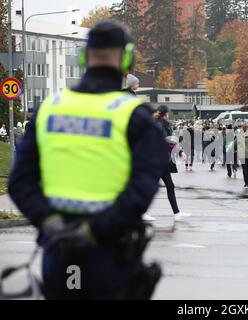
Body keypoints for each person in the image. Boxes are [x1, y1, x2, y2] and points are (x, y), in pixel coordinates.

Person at [8, 21, 167, 299]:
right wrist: (92, 231)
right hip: (109, 255)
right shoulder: (134, 116)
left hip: (57, 254)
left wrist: (50, 223)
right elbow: (141, 191)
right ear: (127, 58)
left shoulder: (50, 109)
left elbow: (20, 183)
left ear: (84, 57)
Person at [143, 105, 191, 222]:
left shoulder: (158, 123)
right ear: (166, 113)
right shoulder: (161, 124)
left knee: (169, 186)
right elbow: (167, 140)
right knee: (154, 187)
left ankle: (176, 213)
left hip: (158, 159)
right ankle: (143, 212)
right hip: (158, 160)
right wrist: (180, 152)